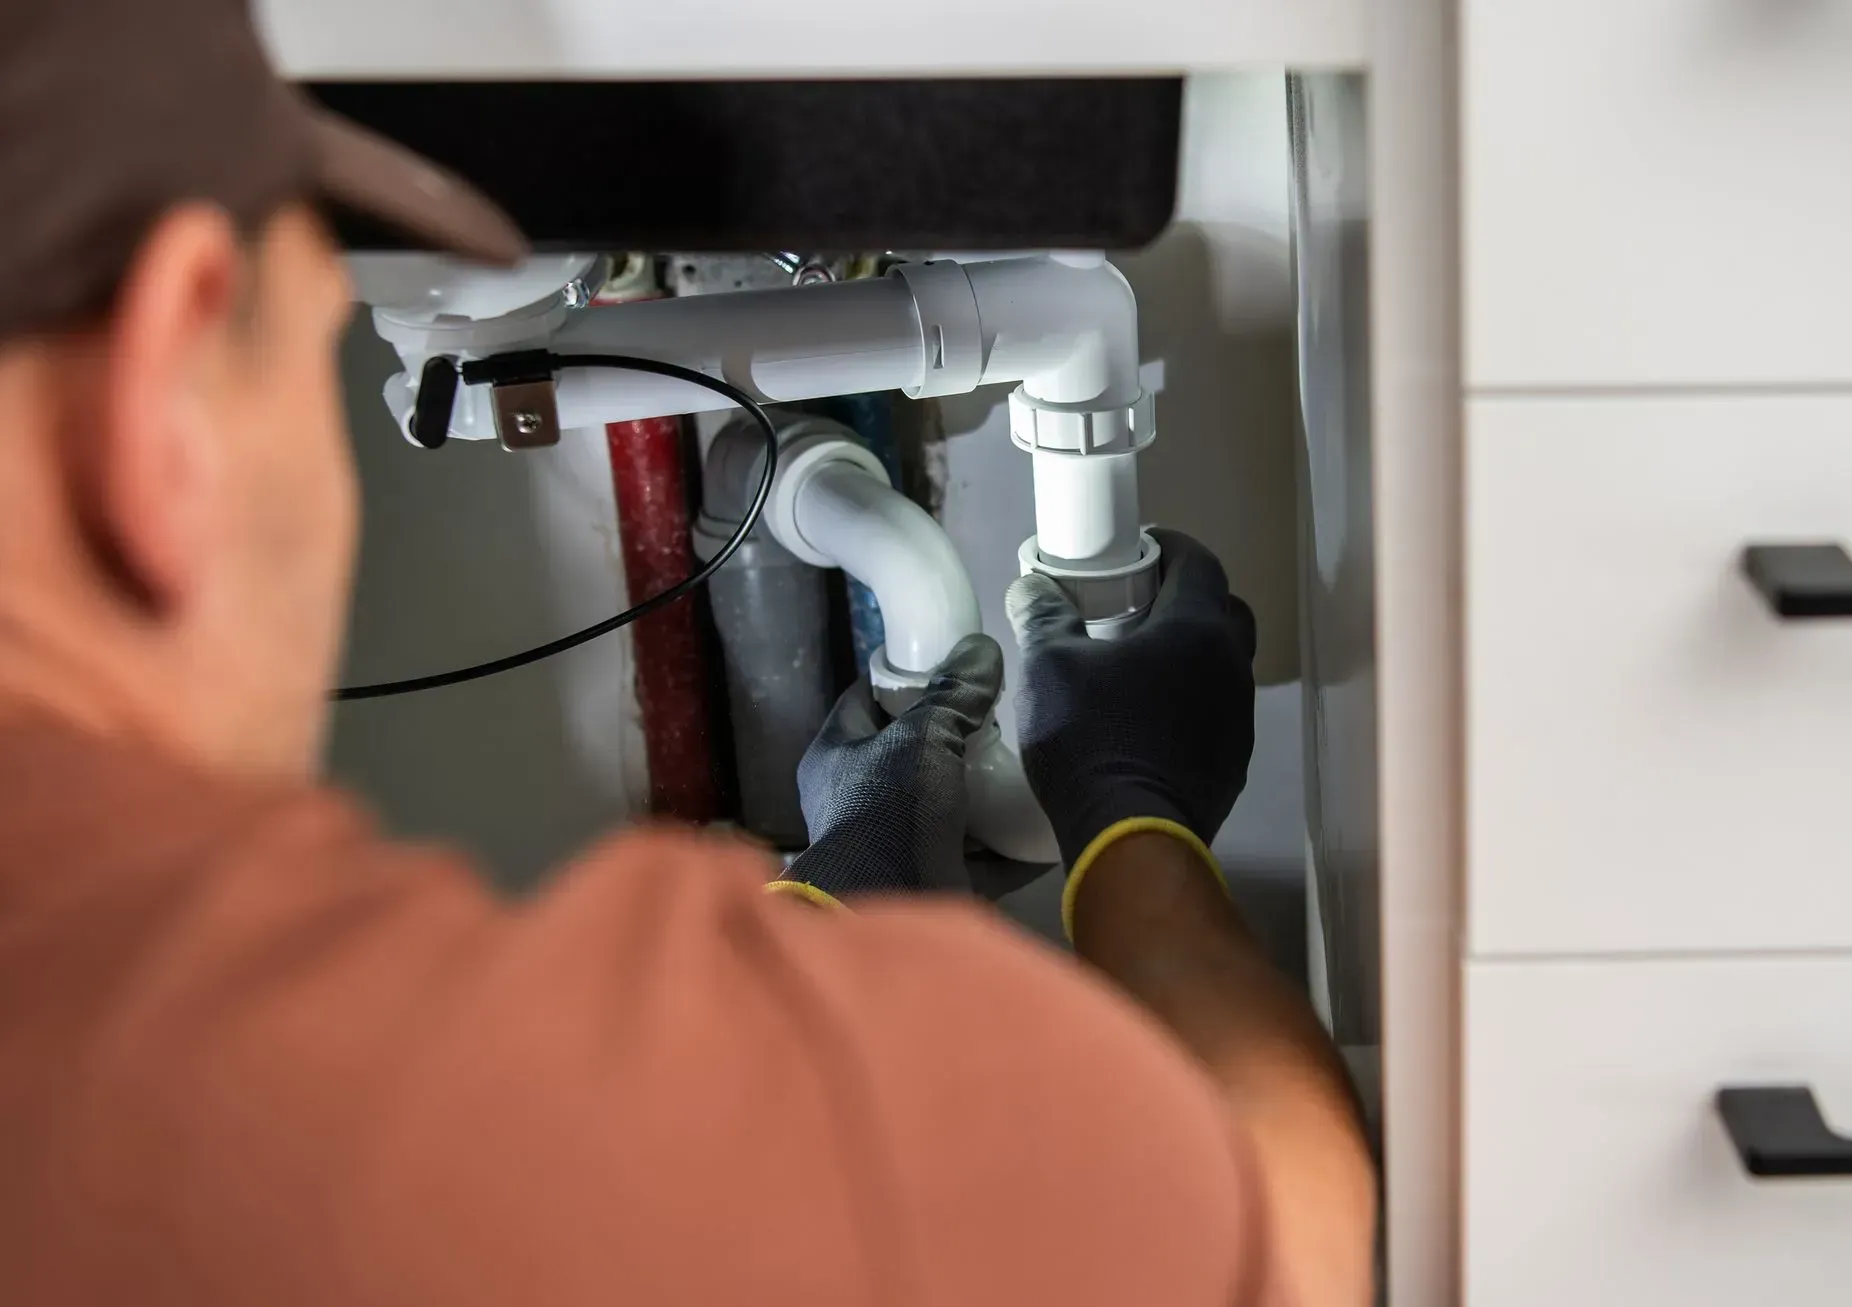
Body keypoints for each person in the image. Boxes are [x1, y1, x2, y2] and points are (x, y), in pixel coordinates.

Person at [0, 0, 1375, 1302]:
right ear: (159, 397)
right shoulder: (316, 1085)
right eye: (299, 353)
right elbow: (1291, 1226)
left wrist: (839, 893)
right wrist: (1135, 819)